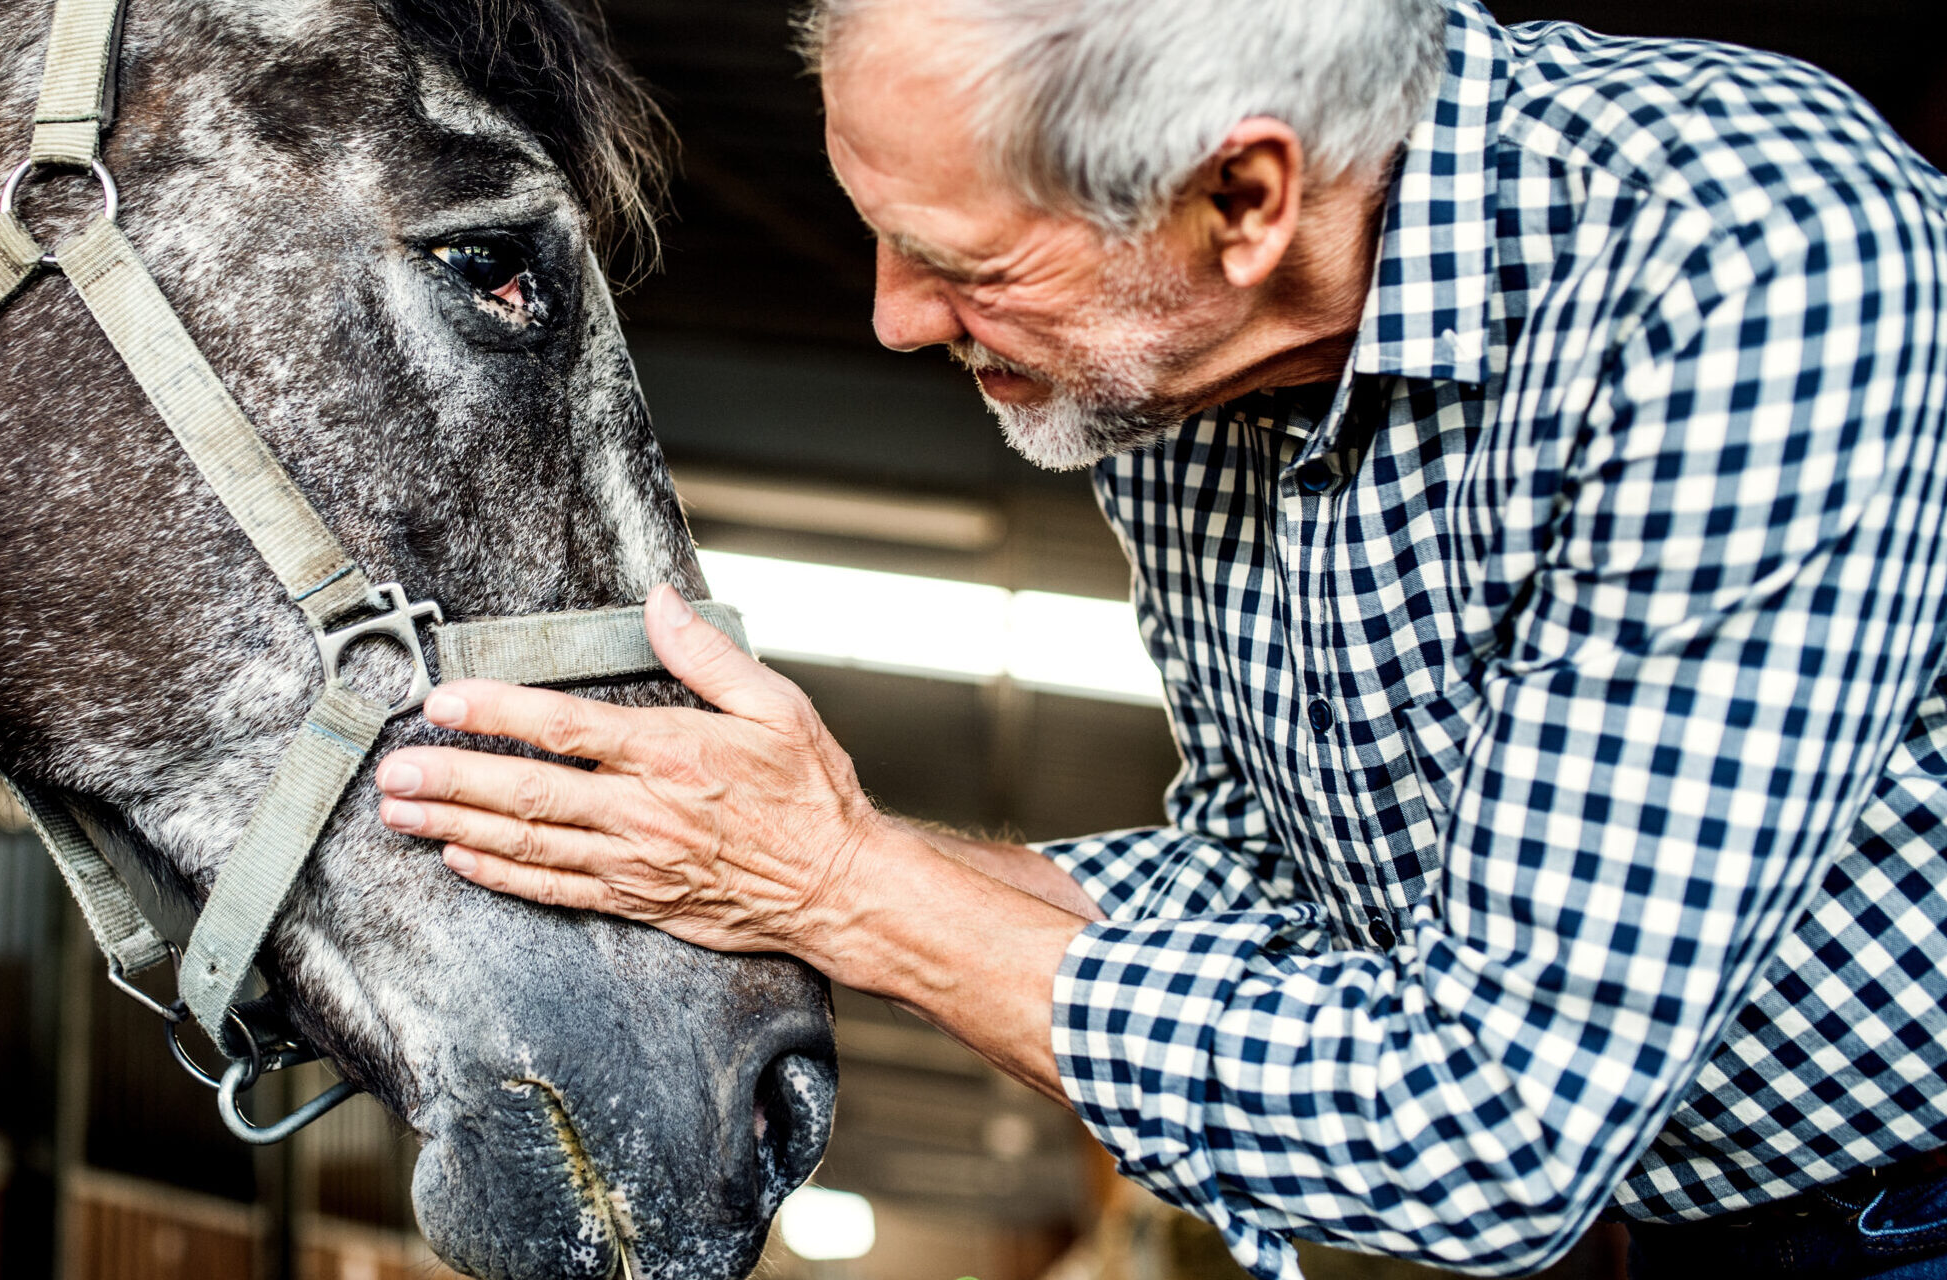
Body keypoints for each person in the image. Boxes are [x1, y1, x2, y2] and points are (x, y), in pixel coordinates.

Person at [369, 1, 1947, 1276]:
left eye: (968, 264)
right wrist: (755, 861)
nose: (894, 318)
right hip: (1700, 1219)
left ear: (1244, 197)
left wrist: (838, 883)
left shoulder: (1746, 274)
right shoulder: (1182, 361)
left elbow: (1491, 1130)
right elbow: (1282, 877)